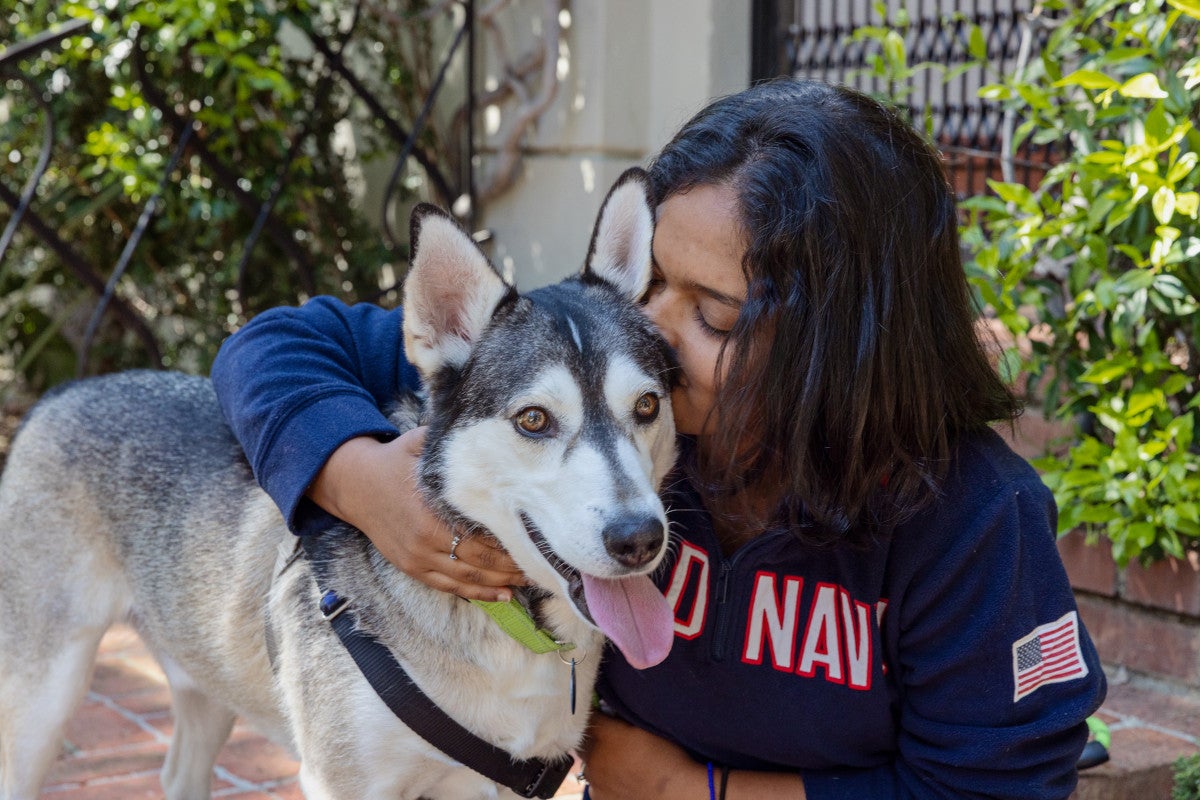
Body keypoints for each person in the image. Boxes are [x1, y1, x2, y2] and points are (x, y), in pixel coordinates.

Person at [212, 78, 1106, 799]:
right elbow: (272, 348)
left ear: (846, 347)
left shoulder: (975, 522)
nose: (655, 339)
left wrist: (699, 790)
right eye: (653, 283)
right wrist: (359, 478)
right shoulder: (600, 355)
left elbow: (997, 786)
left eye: (714, 314)